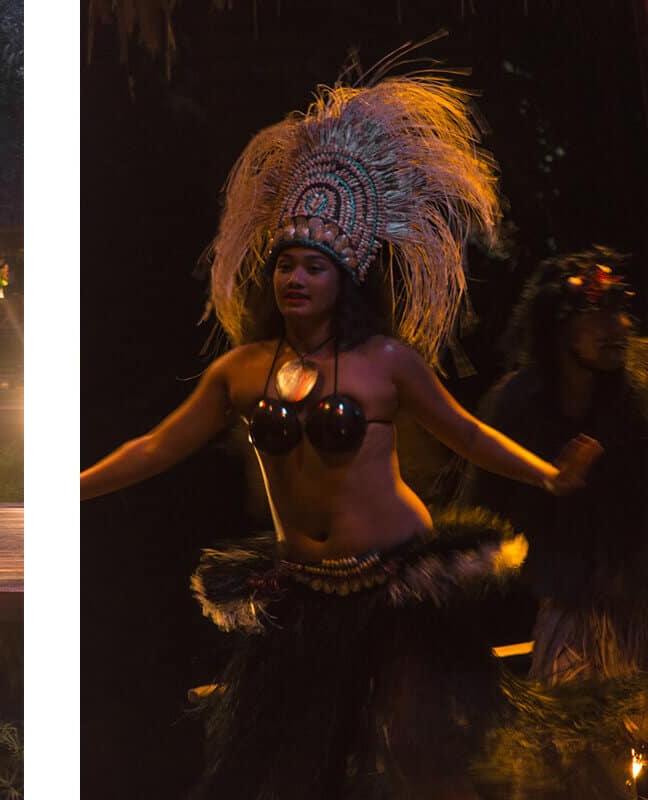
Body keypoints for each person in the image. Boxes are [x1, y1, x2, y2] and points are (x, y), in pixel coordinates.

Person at [80, 74, 603, 799]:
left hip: (398, 580)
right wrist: (71, 487)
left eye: (313, 267)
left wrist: (547, 475)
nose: (295, 277)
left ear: (344, 279)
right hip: (300, 587)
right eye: (286, 265)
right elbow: (157, 446)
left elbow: (468, 432)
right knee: (296, 765)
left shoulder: (386, 363)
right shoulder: (241, 371)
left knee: (419, 752)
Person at [462, 248, 648, 797]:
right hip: (569, 604)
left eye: (621, 312)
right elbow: (489, 515)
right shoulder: (517, 406)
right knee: (570, 760)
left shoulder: (638, 401)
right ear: (558, 326)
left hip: (641, 598)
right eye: (597, 313)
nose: (617, 327)